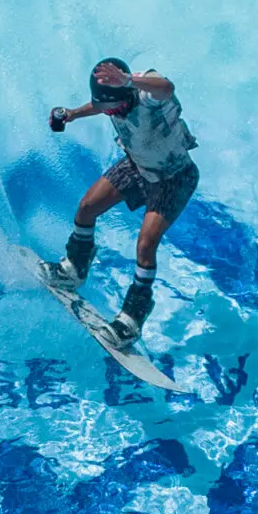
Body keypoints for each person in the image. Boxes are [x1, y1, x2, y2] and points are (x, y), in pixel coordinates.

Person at [47, 57, 199, 345]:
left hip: (175, 177)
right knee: (86, 208)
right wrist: (73, 114)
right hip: (138, 166)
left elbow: (166, 87)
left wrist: (128, 80)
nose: (112, 113)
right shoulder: (111, 101)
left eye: (116, 106)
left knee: (145, 245)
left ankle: (133, 316)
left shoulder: (145, 92)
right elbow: (103, 104)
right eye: (108, 109)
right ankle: (74, 269)